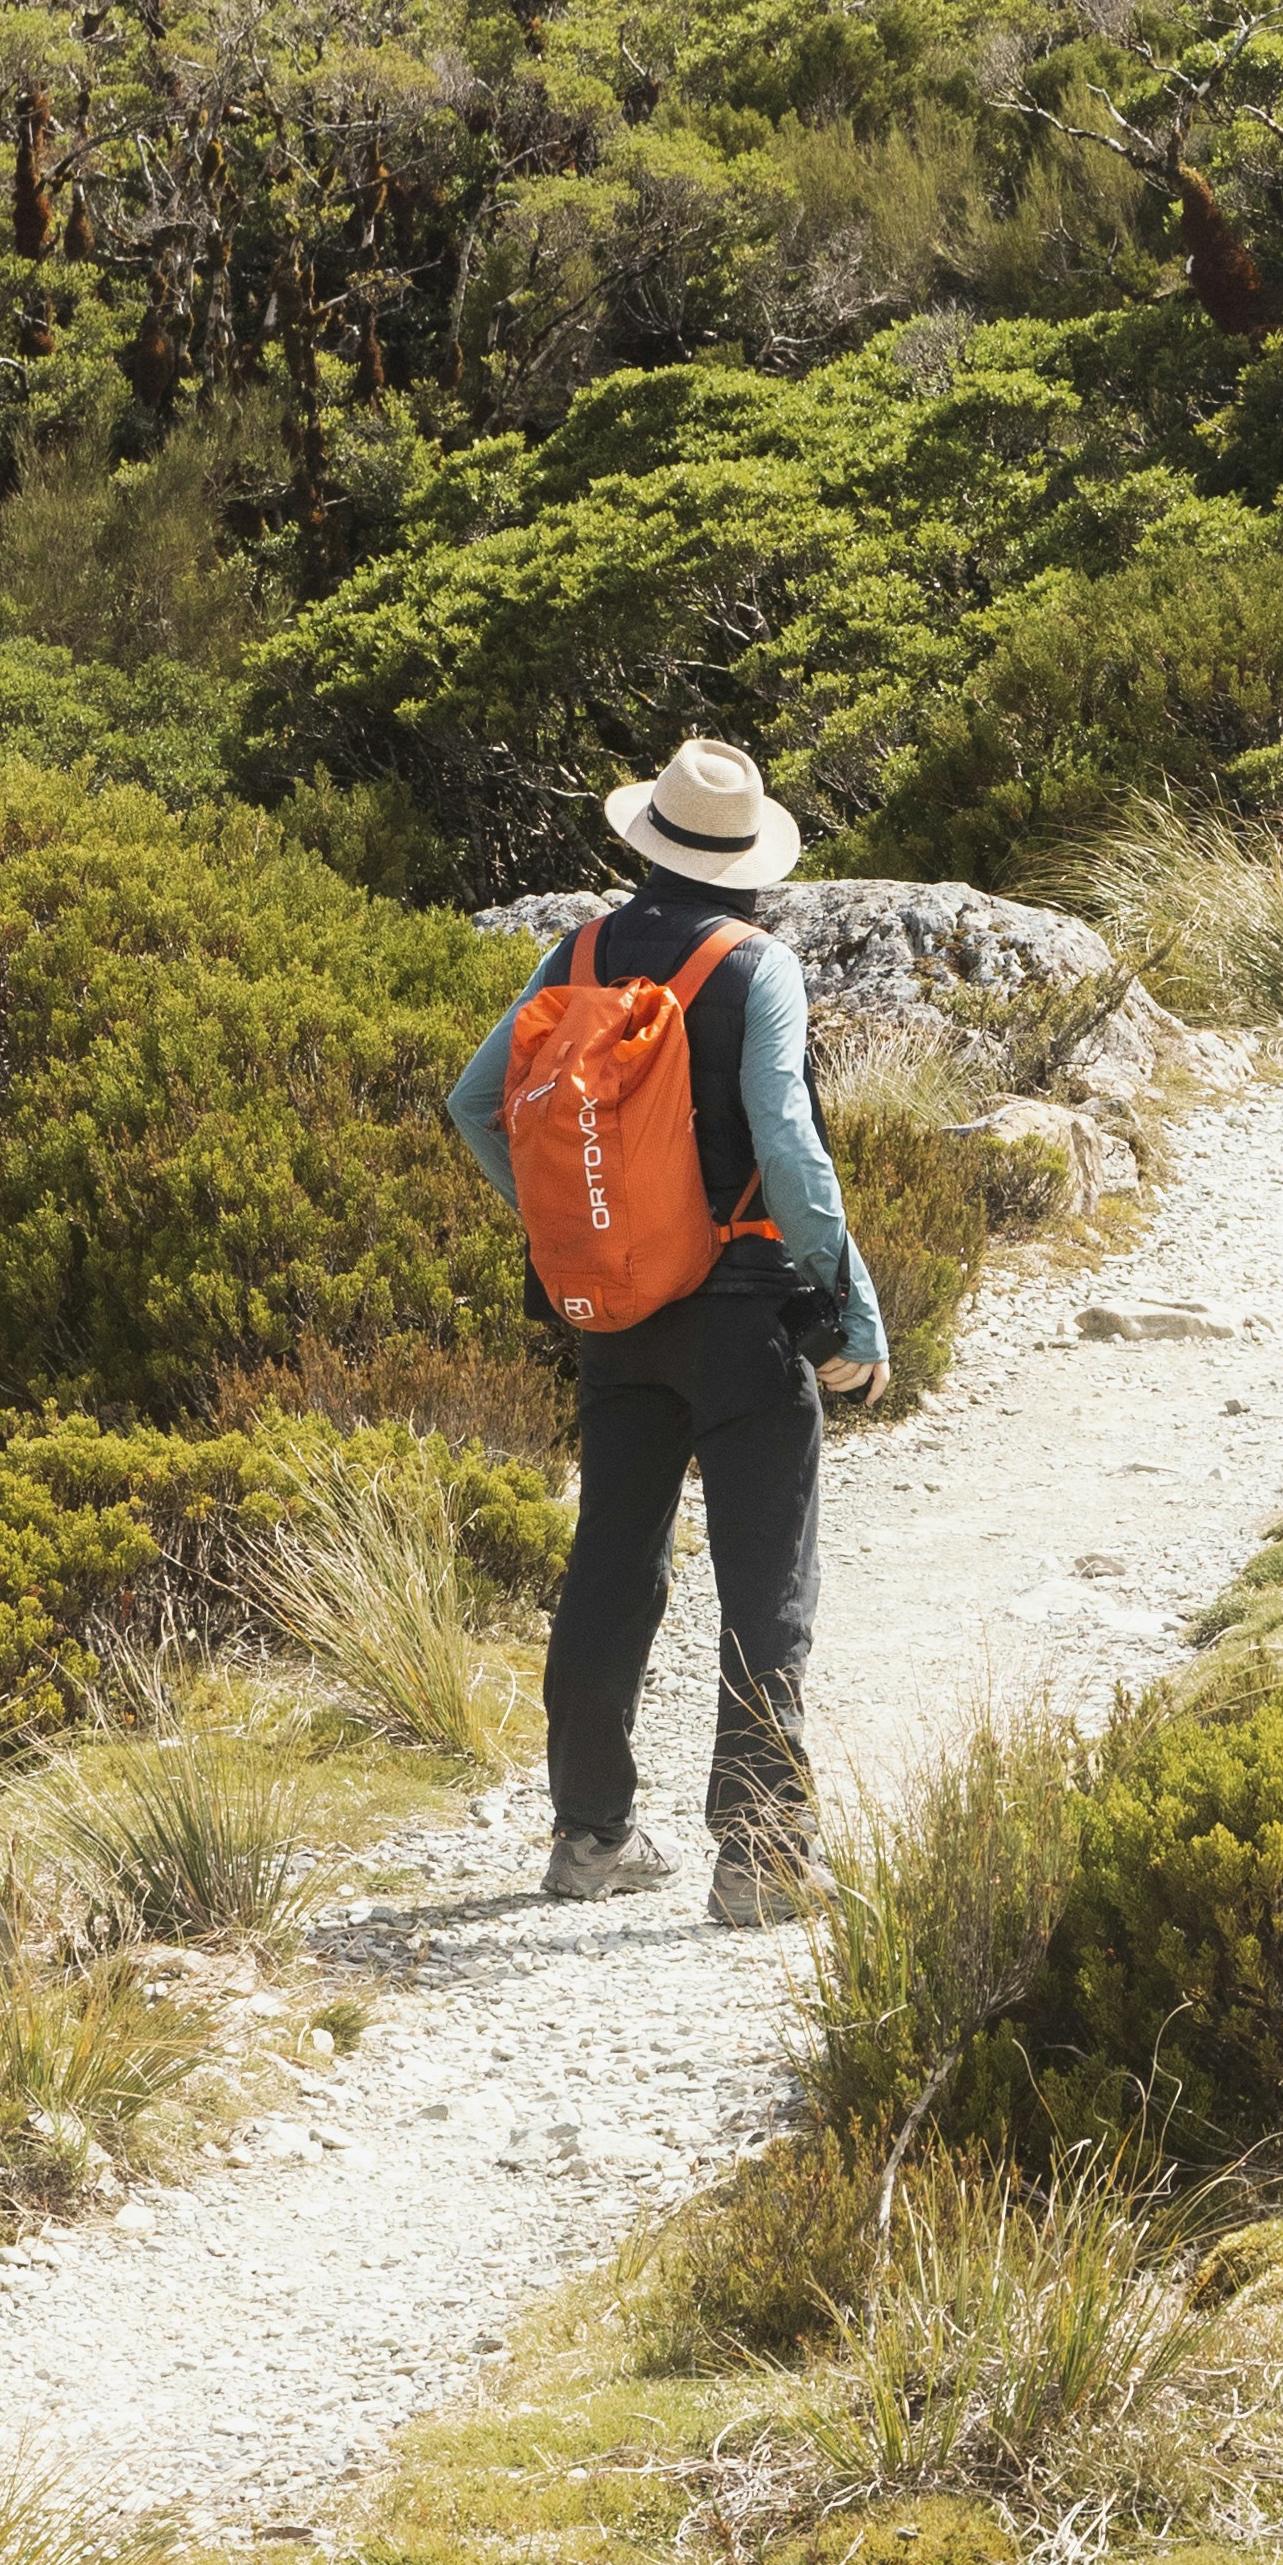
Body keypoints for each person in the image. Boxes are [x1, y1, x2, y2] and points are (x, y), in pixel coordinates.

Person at [445, 732, 890, 1925]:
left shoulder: (576, 949)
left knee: (611, 1563)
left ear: (649, 842)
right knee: (763, 1584)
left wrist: (571, 1233)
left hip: (616, 1318)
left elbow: (475, 1103)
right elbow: (788, 1151)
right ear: (748, 859)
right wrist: (851, 1304)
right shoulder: (755, 964)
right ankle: (760, 1857)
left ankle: (587, 1838)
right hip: (742, 1319)